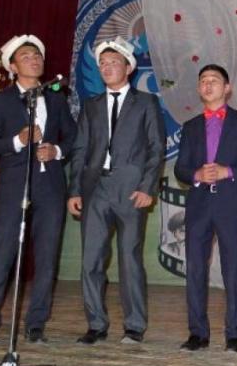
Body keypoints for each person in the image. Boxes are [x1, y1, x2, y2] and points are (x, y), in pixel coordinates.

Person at [0, 35, 76, 344]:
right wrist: (17, 141)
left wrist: (57, 151)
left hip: (50, 185)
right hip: (14, 185)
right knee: (2, 253)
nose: (34, 59)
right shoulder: (0, 101)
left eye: (37, 55)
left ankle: (36, 323)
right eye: (26, 56)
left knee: (46, 255)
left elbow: (73, 137)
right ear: (13, 67)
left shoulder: (56, 98)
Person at [67, 37, 165, 345]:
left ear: (128, 67)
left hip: (131, 191)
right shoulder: (91, 105)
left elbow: (156, 148)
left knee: (129, 259)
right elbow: (80, 150)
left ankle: (134, 326)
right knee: (91, 260)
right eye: (102, 64)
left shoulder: (146, 102)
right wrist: (74, 190)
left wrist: (147, 187)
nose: (107, 67)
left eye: (113, 62)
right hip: (95, 190)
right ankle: (96, 324)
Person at [174, 64, 237, 352]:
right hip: (199, 206)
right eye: (203, 80)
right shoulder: (190, 126)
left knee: (232, 270)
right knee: (195, 270)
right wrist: (196, 174)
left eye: (214, 80)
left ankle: (235, 333)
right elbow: (180, 168)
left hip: (230, 205)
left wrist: (229, 171)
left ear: (227, 88)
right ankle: (198, 333)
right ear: (198, 88)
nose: (208, 84)